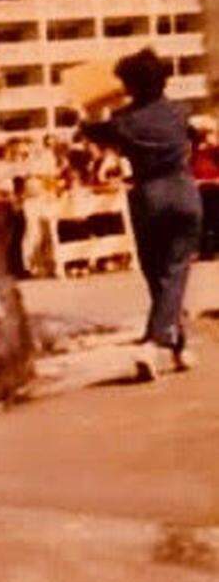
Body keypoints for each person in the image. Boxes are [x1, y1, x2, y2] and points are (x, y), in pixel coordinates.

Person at [82, 47, 203, 378]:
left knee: (158, 274)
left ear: (129, 85)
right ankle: (176, 345)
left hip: (148, 196)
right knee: (175, 272)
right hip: (184, 192)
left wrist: (92, 108)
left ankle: (153, 344)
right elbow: (196, 135)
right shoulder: (180, 112)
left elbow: (91, 131)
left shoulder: (124, 121)